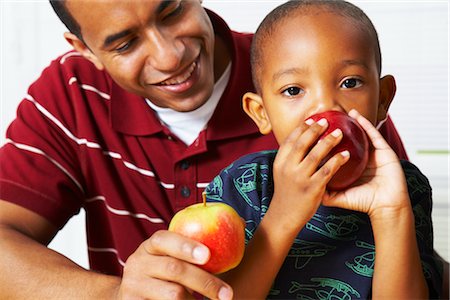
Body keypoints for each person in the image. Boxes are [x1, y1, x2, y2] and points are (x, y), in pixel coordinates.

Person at [0, 0, 410, 299]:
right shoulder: (71, 93)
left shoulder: (311, 67)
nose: (170, 56)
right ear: (85, 48)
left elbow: (404, 250)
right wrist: (116, 295)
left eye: (172, 11)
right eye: (125, 44)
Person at [204, 1, 443, 299]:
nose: (326, 106)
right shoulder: (242, 185)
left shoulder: (404, 188)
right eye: (293, 90)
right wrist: (283, 214)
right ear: (261, 112)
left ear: (382, 100)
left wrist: (391, 213)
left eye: (350, 82)